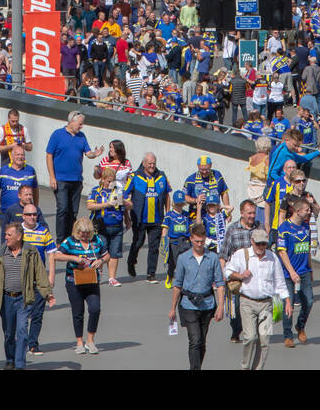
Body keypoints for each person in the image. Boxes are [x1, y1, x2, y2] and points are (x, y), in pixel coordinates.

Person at [0, 220, 55, 370]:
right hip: (6, 298)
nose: (6, 237)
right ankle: (10, 359)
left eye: (9, 235)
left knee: (22, 331)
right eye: (5, 234)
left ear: (19, 236)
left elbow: (40, 273)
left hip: (24, 298)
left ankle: (20, 364)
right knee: (9, 333)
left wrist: (47, 294)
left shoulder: (30, 252)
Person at [224, 227, 292, 370]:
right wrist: (240, 276)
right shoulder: (241, 255)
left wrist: (287, 301)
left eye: (264, 244)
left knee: (265, 341)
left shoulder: (272, 257)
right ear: (252, 242)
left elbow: (279, 282)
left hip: (267, 304)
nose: (261, 247)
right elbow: (227, 271)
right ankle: (245, 367)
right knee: (250, 337)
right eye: (259, 244)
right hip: (247, 302)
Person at [170, 223, 226, 370]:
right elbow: (177, 285)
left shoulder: (213, 258)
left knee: (201, 342)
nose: (199, 244)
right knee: (194, 340)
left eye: (201, 241)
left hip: (207, 304)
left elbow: (220, 283)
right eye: (196, 241)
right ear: (191, 239)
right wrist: (172, 309)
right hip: (189, 304)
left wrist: (221, 307)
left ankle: (196, 366)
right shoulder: (183, 258)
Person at [54, 216, 108, 355]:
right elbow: (57, 255)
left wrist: (101, 261)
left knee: (95, 309)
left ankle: (90, 340)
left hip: (92, 280)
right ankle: (79, 342)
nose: (84, 236)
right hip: (74, 282)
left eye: (87, 233)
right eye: (81, 233)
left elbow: (107, 255)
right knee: (78, 312)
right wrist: (74, 258)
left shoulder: (97, 240)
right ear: (76, 231)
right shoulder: (70, 241)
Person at [45, 110, 99, 240]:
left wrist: (95, 154)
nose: (81, 126)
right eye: (80, 124)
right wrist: (52, 177)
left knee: (73, 211)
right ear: (72, 121)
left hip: (76, 180)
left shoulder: (82, 136)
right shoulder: (57, 135)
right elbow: (49, 155)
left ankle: (71, 237)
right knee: (63, 209)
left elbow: (88, 153)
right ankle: (60, 239)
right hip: (61, 180)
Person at [124, 152, 170, 282]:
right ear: (143, 163)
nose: (152, 166)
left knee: (154, 247)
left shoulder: (162, 176)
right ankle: (131, 261)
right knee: (138, 242)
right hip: (139, 219)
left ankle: (151, 273)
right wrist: (127, 209)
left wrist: (168, 215)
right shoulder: (134, 176)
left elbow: (167, 196)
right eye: (149, 163)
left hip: (157, 219)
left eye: (154, 163)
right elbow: (125, 194)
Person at [276, 196, 315, 348]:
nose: (309, 212)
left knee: (309, 301)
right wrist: (291, 272)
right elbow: (282, 252)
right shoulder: (284, 228)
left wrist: (310, 269)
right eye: (306, 210)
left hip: (304, 271)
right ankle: (287, 335)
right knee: (289, 304)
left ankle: (300, 325)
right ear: (298, 211)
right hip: (288, 274)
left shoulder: (306, 227)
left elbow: (308, 251)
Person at [19, 203, 57, 356]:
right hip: (21, 279)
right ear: (23, 216)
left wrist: (51, 275)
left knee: (38, 313)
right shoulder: (17, 231)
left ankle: (33, 344)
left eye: (34, 214)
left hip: (39, 278)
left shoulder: (43, 231)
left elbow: (51, 254)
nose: (32, 217)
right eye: (29, 215)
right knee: (22, 313)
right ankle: (20, 341)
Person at [86, 166, 127, 286]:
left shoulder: (118, 190)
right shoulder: (96, 191)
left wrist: (124, 202)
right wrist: (107, 204)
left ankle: (112, 278)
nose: (111, 183)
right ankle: (98, 274)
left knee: (114, 253)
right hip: (101, 226)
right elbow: (90, 206)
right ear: (103, 179)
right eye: (109, 181)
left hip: (117, 225)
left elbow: (127, 206)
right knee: (100, 251)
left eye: (113, 181)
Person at [0, 142, 37, 240]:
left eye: (22, 155)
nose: (20, 157)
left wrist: (35, 207)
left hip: (25, 215)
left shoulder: (30, 171)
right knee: (8, 240)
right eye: (18, 154)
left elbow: (35, 191)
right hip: (6, 214)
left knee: (23, 240)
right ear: (12, 156)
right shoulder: (3, 171)